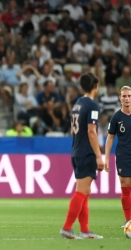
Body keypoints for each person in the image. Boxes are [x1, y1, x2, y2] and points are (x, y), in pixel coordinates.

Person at [60, 73, 104, 239]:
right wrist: (99, 156)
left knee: (85, 191)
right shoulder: (92, 105)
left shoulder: (77, 104)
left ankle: (85, 230)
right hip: (86, 152)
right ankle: (66, 228)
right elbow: (92, 131)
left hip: (76, 150)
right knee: (82, 191)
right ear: (95, 86)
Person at [105, 86, 131, 228]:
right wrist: (106, 159)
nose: (127, 98)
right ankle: (128, 220)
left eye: (129, 96)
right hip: (123, 155)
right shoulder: (116, 117)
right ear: (120, 98)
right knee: (125, 186)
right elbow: (110, 138)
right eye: (124, 96)